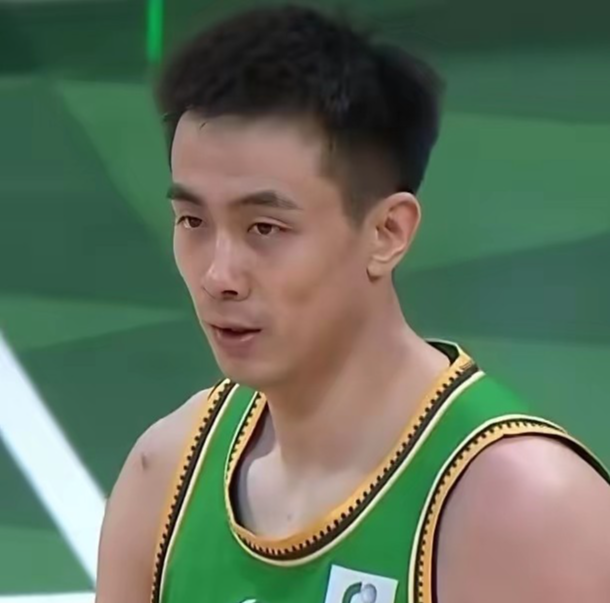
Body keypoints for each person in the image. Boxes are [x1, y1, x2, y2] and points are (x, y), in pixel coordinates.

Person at [95, 5, 610, 603]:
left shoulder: (528, 517)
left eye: (265, 228)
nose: (219, 276)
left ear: (387, 233)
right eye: (192, 220)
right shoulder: (165, 478)